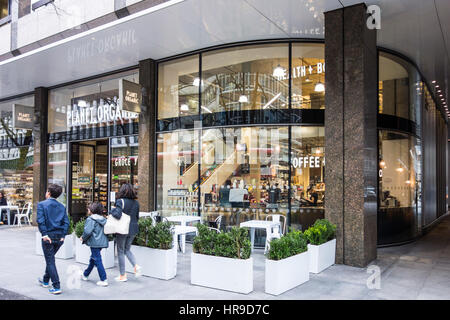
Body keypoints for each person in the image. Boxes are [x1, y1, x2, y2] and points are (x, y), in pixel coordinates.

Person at [37, 184, 69, 295]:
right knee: (50, 259)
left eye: (46, 191)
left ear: (49, 193)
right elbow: (66, 222)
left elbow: (40, 220)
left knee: (50, 261)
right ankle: (45, 280)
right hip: (59, 237)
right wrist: (63, 235)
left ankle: (56, 286)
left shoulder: (42, 204)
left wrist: (44, 234)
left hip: (48, 237)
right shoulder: (62, 206)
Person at [110, 183, 141, 282]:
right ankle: (135, 266)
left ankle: (122, 275)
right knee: (127, 249)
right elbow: (137, 217)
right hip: (133, 229)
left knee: (120, 251)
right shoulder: (136, 203)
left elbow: (117, 215)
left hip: (122, 229)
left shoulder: (120, 201)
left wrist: (111, 210)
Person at [80, 202, 109, 287]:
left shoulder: (91, 219)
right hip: (101, 242)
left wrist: (83, 237)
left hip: (94, 242)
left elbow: (88, 231)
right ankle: (85, 274)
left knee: (97, 260)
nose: (87, 210)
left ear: (92, 210)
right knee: (93, 259)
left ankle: (103, 279)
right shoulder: (103, 219)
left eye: (88, 208)